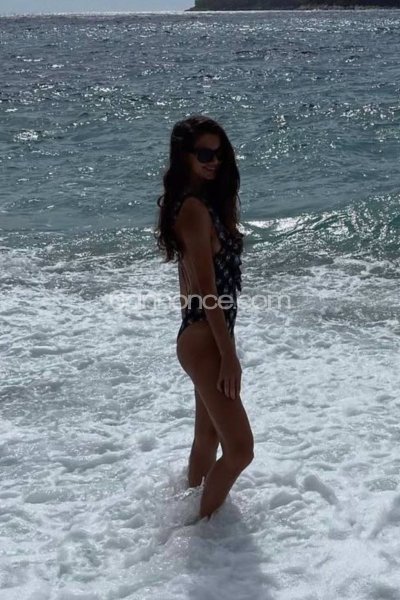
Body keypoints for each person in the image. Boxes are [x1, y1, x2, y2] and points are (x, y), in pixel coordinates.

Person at [155, 115, 254, 521]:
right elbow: (206, 291)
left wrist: (220, 342)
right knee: (241, 450)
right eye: (205, 154)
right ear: (185, 157)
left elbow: (189, 284)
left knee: (207, 437)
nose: (215, 161)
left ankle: (189, 516)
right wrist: (227, 355)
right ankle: (201, 527)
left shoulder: (199, 204)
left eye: (219, 153)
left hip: (202, 335)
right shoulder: (194, 210)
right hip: (203, 338)